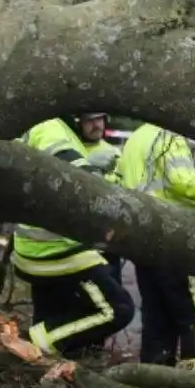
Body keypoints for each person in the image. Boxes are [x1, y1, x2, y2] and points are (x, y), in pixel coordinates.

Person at [12, 118, 135, 358]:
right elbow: (78, 176)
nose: (95, 124)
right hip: (57, 248)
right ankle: (31, 344)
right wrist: (93, 173)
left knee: (55, 318)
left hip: (36, 247)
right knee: (117, 309)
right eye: (88, 117)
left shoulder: (35, 126)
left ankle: (41, 370)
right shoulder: (51, 128)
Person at [116, 123, 195, 370]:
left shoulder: (135, 138)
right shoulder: (169, 137)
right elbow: (184, 184)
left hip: (142, 241)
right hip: (175, 241)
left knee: (157, 318)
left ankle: (155, 380)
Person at [71, 112, 124, 282]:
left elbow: (122, 188)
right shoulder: (71, 150)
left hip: (106, 237)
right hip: (77, 241)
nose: (96, 125)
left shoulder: (113, 153)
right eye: (89, 121)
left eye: (99, 119)